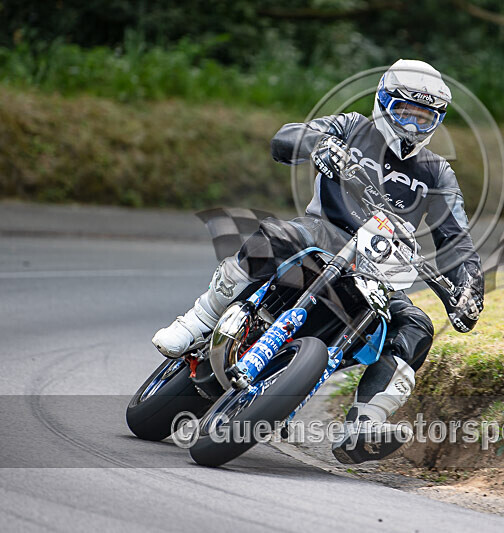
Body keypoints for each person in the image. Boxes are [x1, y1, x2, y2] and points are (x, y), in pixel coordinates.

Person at [151, 59, 484, 463]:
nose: (413, 127)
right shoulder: (351, 127)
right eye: (405, 113)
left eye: (424, 118)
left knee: (416, 325)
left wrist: (468, 287)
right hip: (324, 235)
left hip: (377, 269)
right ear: (383, 102)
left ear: (437, 120)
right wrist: (319, 144)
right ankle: (197, 322)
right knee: (276, 235)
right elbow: (285, 139)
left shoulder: (438, 172)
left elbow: (457, 239)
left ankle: (364, 423)